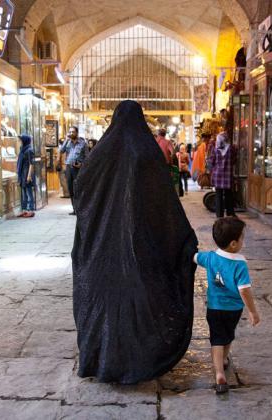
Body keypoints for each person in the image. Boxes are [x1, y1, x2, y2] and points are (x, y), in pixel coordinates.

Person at [72, 100, 198, 384]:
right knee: (139, 300)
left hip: (102, 249)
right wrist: (181, 238)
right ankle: (136, 361)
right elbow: (163, 201)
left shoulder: (100, 153)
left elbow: (80, 190)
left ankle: (100, 359)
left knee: (103, 301)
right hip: (142, 245)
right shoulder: (146, 151)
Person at [194, 216, 261, 394]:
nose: (242, 242)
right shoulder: (240, 264)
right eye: (242, 238)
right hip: (233, 309)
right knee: (228, 335)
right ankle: (223, 360)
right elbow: (244, 291)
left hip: (214, 308)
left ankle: (219, 374)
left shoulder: (209, 257)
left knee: (216, 339)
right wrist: (253, 312)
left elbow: (193, 257)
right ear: (233, 243)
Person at [58, 126, 87, 215]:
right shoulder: (68, 142)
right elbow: (61, 151)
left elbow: (87, 156)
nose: (71, 133)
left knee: (78, 188)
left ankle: (80, 208)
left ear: (77, 133)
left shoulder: (82, 143)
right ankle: (74, 209)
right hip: (69, 167)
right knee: (70, 189)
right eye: (70, 132)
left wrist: (81, 164)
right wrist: (66, 140)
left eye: (73, 132)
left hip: (78, 169)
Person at [208, 132, 236, 218]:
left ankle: (219, 215)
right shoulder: (231, 149)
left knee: (218, 195)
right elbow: (234, 160)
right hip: (227, 176)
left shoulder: (215, 149)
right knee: (229, 195)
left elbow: (211, 162)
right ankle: (230, 213)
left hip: (217, 176)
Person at [17, 134, 36, 218]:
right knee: (24, 193)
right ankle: (24, 210)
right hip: (22, 174)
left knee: (29, 193)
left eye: (20, 140)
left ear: (24, 141)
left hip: (27, 174)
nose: (19, 142)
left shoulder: (29, 150)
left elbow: (31, 164)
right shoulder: (22, 150)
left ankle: (31, 210)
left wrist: (29, 176)